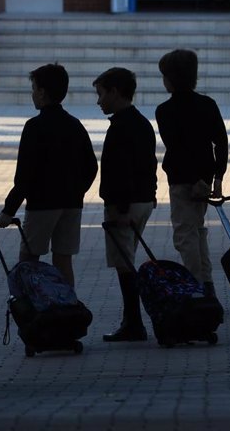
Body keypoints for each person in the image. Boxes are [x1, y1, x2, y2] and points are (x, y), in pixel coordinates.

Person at [0, 63, 98, 288]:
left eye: (34, 88)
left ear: (42, 92)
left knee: (29, 260)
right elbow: (91, 166)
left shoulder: (34, 127)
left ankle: (33, 312)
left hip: (42, 204)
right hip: (71, 204)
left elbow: (24, 175)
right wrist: (76, 191)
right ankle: (67, 308)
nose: (32, 94)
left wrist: (8, 209)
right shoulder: (75, 125)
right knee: (63, 260)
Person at [155, 49, 228, 298]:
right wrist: (214, 177)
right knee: (197, 230)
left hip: (180, 178)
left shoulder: (164, 111)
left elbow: (176, 147)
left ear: (171, 78)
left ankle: (197, 286)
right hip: (204, 177)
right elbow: (220, 142)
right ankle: (206, 283)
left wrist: (194, 177)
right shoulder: (207, 105)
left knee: (185, 233)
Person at [94, 67, 157, 342]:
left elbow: (121, 172)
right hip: (143, 200)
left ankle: (133, 322)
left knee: (124, 264)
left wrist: (119, 209)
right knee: (127, 260)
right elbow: (149, 165)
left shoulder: (120, 127)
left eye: (101, 94)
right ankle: (132, 320)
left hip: (125, 206)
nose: (99, 101)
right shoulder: (142, 123)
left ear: (115, 92)